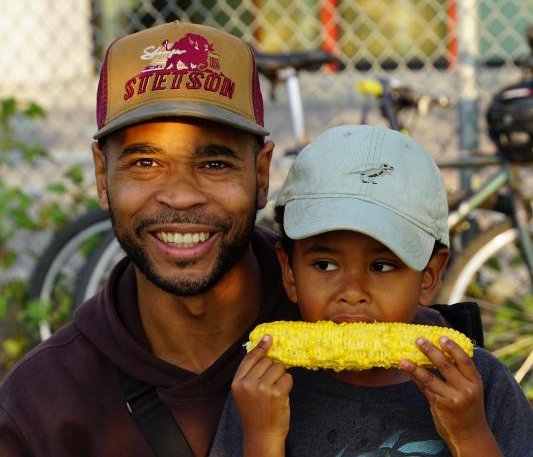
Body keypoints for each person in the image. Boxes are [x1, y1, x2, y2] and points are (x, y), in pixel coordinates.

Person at [0, 22, 451, 457]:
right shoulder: (40, 407)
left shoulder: (388, 338)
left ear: (260, 173)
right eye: (144, 163)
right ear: (102, 175)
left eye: (215, 164)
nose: (179, 196)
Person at [211, 125, 533, 457]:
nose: (352, 292)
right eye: (325, 265)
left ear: (429, 275)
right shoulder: (261, 390)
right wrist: (263, 439)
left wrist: (470, 435)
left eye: (381, 266)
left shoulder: (482, 385)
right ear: (290, 272)